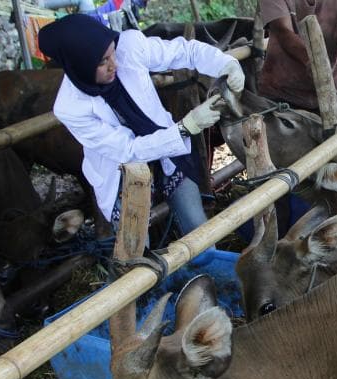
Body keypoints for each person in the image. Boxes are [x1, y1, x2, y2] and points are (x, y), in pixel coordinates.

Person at [38, 14, 245, 238]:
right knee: (137, 253)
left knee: (198, 228)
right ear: (80, 67)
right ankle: (143, 265)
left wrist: (225, 63)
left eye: (112, 53)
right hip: (122, 174)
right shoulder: (71, 108)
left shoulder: (129, 46)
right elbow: (129, 150)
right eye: (102, 62)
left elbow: (184, 51)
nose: (114, 64)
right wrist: (186, 127)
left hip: (168, 152)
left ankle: (204, 260)